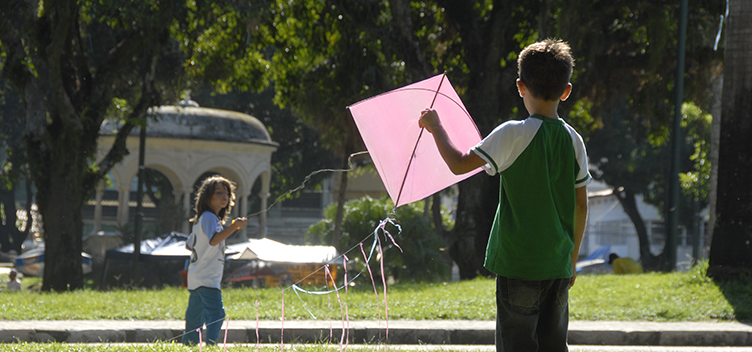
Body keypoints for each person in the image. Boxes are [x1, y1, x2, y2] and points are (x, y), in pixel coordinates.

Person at [419, 39, 590, 351]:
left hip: (519, 264)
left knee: (517, 345)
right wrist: (573, 259)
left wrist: (436, 127)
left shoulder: (513, 133)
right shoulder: (574, 140)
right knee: (554, 345)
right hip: (558, 265)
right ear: (566, 91)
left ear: (521, 86)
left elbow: (458, 164)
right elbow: (581, 205)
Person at [182, 175, 247, 346]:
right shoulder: (210, 218)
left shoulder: (201, 219)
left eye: (226, 193)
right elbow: (213, 240)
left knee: (195, 316)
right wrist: (234, 227)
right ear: (207, 196)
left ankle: (189, 345)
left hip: (196, 276)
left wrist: (203, 251)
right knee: (216, 314)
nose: (224, 196)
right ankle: (211, 345)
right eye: (219, 193)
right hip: (208, 277)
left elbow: (189, 245)